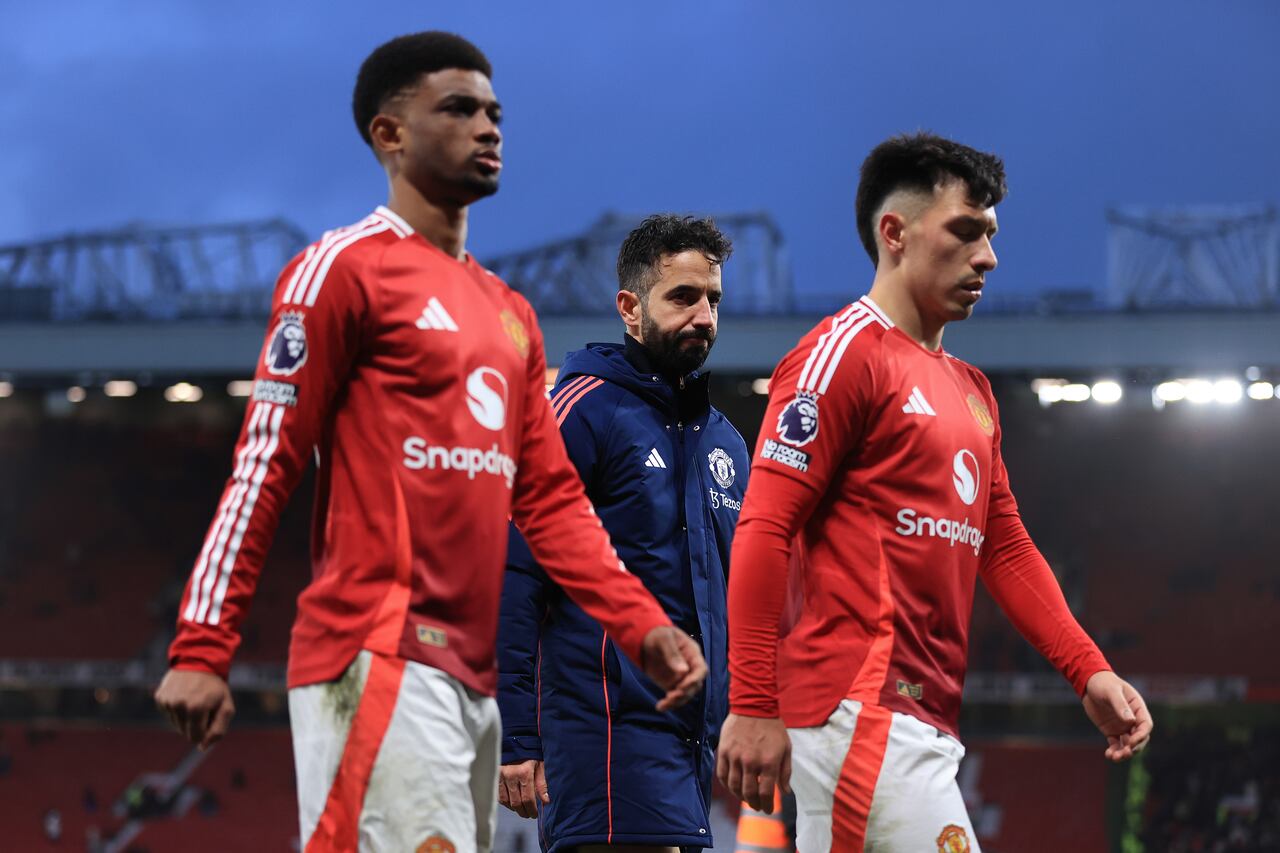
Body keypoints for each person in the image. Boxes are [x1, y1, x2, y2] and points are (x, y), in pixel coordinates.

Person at [153, 32, 707, 853]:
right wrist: (203, 642)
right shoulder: (341, 271)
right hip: (378, 652)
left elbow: (551, 500)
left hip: (471, 677)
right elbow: (264, 463)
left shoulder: (510, 313)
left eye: (494, 111)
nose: (488, 126)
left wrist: (639, 623)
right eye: (458, 108)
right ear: (390, 133)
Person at [715, 132, 1154, 851]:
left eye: (991, 235)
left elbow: (1004, 546)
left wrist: (1088, 668)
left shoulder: (971, 391)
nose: (988, 257)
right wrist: (753, 702)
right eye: (966, 231)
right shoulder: (843, 354)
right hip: (853, 714)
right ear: (895, 232)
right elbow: (763, 526)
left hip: (917, 720)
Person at [496, 215, 749, 851]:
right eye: (683, 297)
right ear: (630, 308)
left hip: (690, 747)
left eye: (712, 299)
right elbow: (515, 571)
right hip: (603, 736)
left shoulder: (725, 443)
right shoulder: (582, 409)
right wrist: (516, 736)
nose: (703, 316)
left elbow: (730, 599)